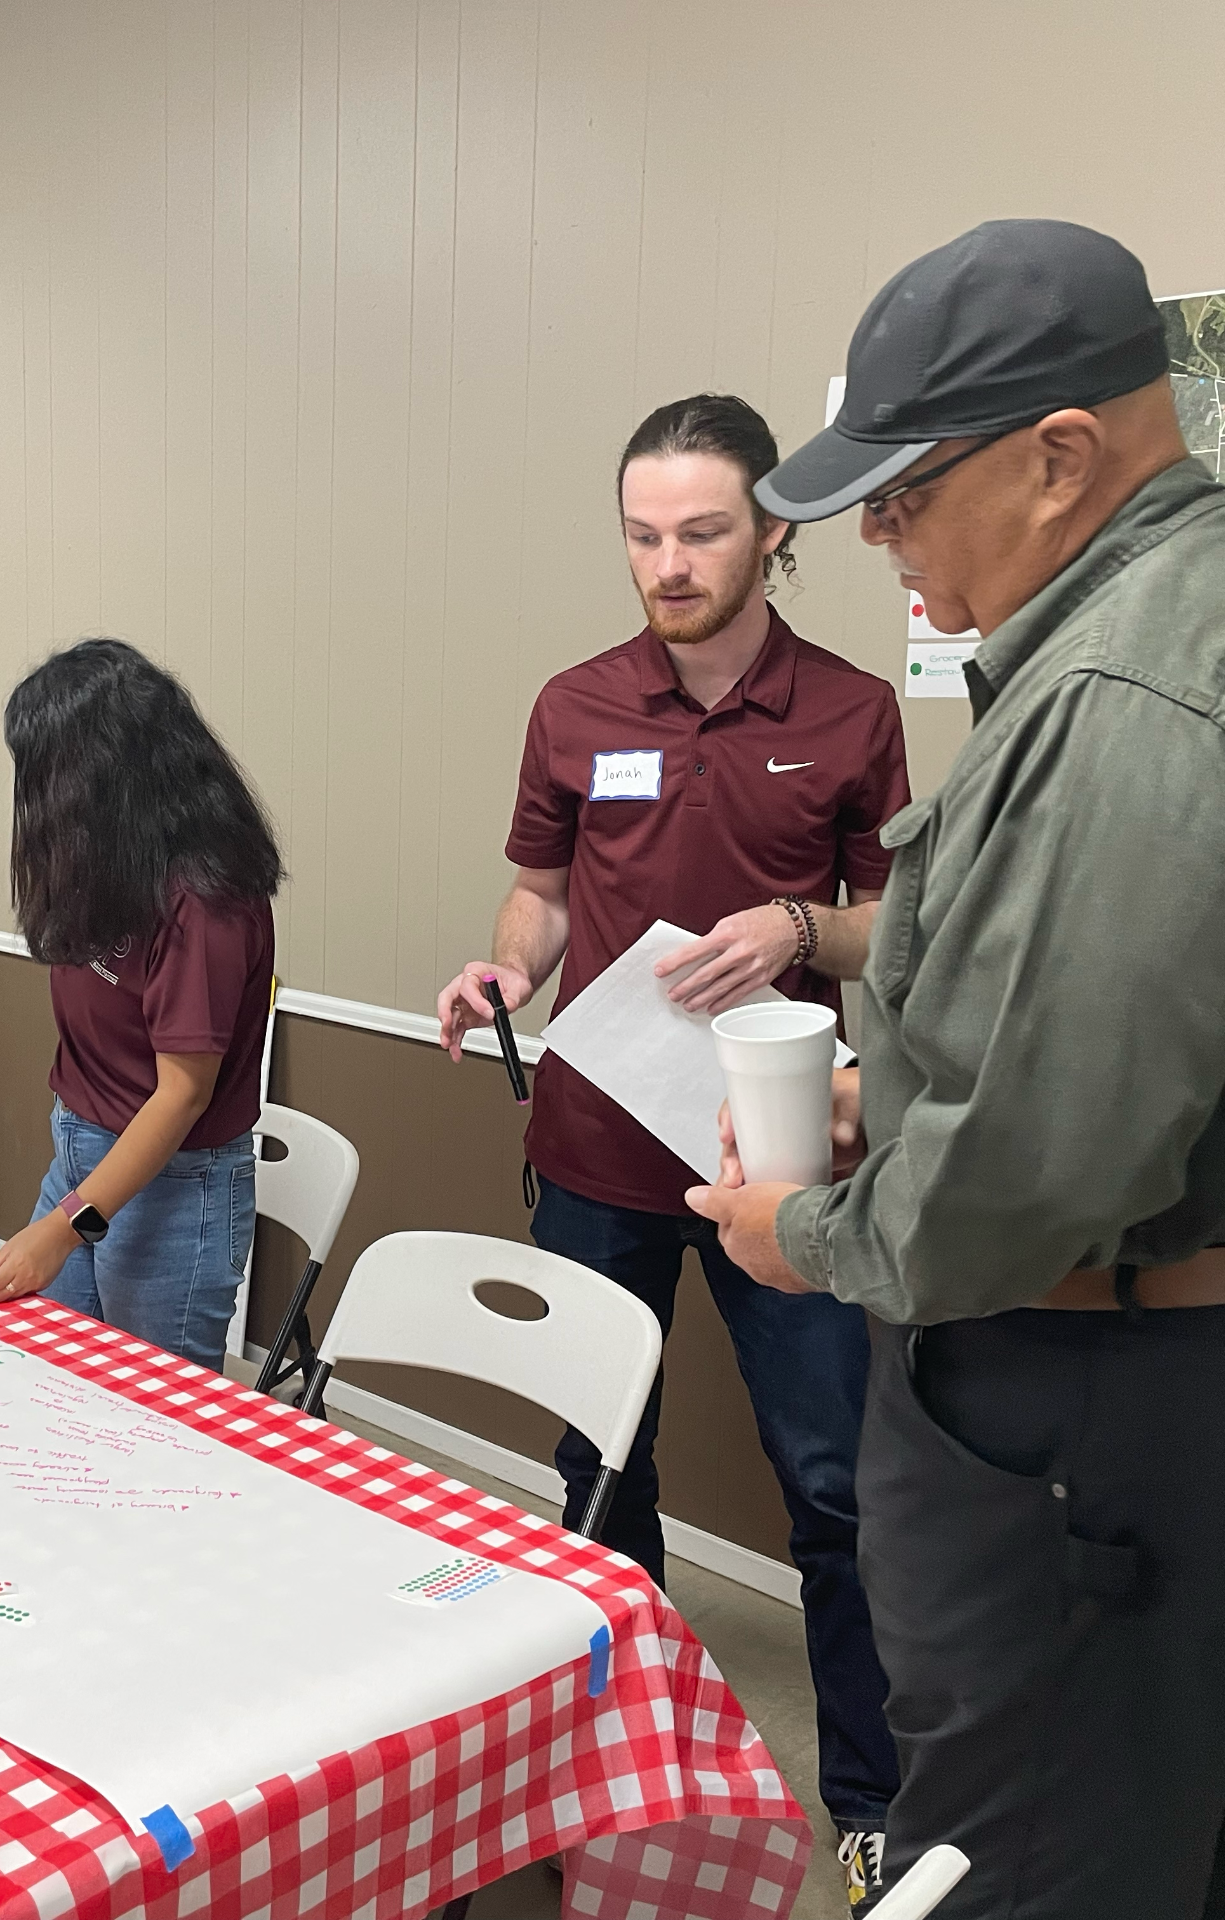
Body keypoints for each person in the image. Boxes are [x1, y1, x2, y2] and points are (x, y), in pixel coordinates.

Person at [692, 220, 1225, 1920]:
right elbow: (1140, 1043)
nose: (881, 538)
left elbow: (1030, 1176)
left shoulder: (1127, 699)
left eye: (902, 495)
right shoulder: (1213, 605)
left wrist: (797, 1234)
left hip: (1111, 1399)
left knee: (1030, 1867)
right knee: (1188, 1831)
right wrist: (898, 1091)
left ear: (1060, 458)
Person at [434, 394, 909, 1908]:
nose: (671, 562)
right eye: (644, 534)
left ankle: (872, 1809)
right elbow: (541, 895)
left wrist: (800, 925)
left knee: (833, 1490)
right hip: (595, 1143)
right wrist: (505, 969)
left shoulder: (847, 710)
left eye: (703, 532)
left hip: (778, 1156)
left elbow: (900, 927)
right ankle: (611, 1791)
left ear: (776, 530)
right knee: (595, 1472)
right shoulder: (574, 704)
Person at [0, 640, 280, 1373]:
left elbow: (182, 1094)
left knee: (151, 1416)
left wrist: (64, 1228)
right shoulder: (103, 859)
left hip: (174, 1185)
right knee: (57, 1373)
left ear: (105, 776)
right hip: (80, 1147)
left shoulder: (206, 897)